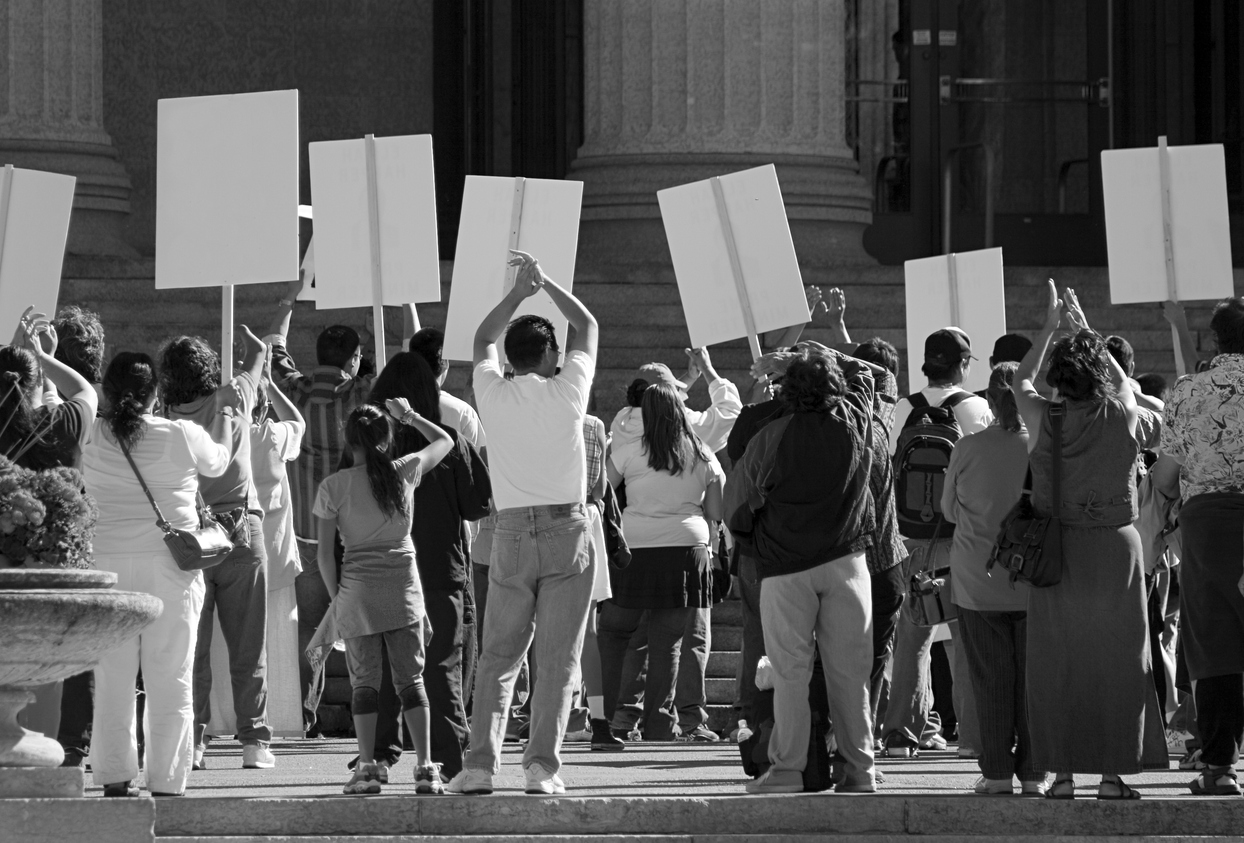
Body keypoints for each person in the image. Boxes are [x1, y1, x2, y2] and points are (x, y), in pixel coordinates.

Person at [447, 249, 598, 796]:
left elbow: (480, 339)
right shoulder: (569, 389)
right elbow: (587, 324)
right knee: (558, 659)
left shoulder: (493, 391)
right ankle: (540, 768)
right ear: (553, 354)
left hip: (508, 531)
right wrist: (547, 282)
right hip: (566, 530)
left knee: (498, 657)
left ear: (512, 358)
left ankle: (482, 766)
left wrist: (517, 292)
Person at [1013, 282, 1167, 800]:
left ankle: (1060, 776)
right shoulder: (1122, 412)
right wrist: (1085, 330)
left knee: (1056, 661)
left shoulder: (1041, 418)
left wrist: (1050, 325)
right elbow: (1124, 382)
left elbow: (1019, 379)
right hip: (1115, 548)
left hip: (1057, 550)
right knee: (1119, 661)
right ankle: (1112, 774)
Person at [727, 346, 881, 794]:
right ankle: (860, 770)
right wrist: (814, 354)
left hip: (784, 566)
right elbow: (870, 377)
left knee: (790, 671)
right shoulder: (856, 419)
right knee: (850, 675)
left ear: (786, 391)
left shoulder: (770, 435)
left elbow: (735, 506)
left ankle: (789, 770)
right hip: (848, 563)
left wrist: (755, 541)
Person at [84, 351, 231, 797]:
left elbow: (68, 397)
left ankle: (113, 774)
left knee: (113, 679)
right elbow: (220, 463)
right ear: (156, 394)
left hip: (107, 567)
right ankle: (167, 780)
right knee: (171, 676)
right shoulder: (182, 434)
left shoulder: (91, 435)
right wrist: (225, 410)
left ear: (107, 391)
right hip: (170, 568)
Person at [314, 401, 454, 794]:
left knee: (365, 684)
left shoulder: (333, 487)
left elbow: (325, 556)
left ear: (349, 439)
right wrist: (410, 416)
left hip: (356, 591)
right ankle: (426, 767)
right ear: (385, 438)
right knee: (412, 680)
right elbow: (445, 440)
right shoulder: (405, 470)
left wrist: (337, 599)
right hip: (402, 586)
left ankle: (368, 767)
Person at [366, 351, 491, 781]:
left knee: (384, 666)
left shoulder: (369, 447)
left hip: (382, 569)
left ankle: (379, 753)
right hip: (441, 567)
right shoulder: (449, 441)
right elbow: (478, 506)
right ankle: (451, 759)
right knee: (441, 667)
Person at [609, 347, 738, 742]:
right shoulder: (700, 448)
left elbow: (601, 493)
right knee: (670, 642)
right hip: (687, 548)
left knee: (629, 638)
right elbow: (716, 511)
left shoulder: (623, 438)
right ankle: (663, 723)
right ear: (678, 405)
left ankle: (617, 718)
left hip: (635, 547)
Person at [159, 326, 272, 770]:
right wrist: (250, 348)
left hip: (190, 536)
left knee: (194, 647)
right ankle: (255, 742)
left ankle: (196, 741)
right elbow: (259, 356)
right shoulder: (235, 398)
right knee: (249, 647)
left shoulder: (165, 416)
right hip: (242, 531)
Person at [265, 280, 375, 736]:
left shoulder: (294, 391)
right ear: (353, 360)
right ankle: (375, 717)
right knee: (368, 629)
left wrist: (287, 299)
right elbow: (402, 359)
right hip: (354, 535)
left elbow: (272, 349)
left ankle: (305, 715)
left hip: (306, 534)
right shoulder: (360, 396)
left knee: (310, 630)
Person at [881, 328, 991, 759]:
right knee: (966, 635)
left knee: (912, 634)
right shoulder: (976, 408)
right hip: (959, 537)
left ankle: (899, 735)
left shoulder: (903, 408)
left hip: (908, 536)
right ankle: (973, 736)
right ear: (962, 365)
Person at [941, 363, 1047, 796]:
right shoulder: (1043, 447)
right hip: (1034, 579)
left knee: (990, 678)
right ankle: (1035, 774)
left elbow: (949, 511)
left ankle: (998, 773)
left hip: (976, 579)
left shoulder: (967, 448)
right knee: (1032, 680)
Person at [1153, 296, 1244, 796]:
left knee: (1214, 645)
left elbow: (1166, 476)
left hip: (1209, 524)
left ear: (1215, 340)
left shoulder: (1190, 391)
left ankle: (1219, 767)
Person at [50, 305, 107, 767]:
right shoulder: (101, 407)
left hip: (45, 535)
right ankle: (76, 744)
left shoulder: (40, 407)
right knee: (86, 642)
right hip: (87, 537)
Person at [246, 367, 306, 736]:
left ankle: (225, 719)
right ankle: (279, 718)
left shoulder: (220, 435)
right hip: (275, 552)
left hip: (233, 552)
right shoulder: (272, 433)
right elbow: (297, 421)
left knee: (229, 644)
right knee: (278, 642)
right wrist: (269, 385)